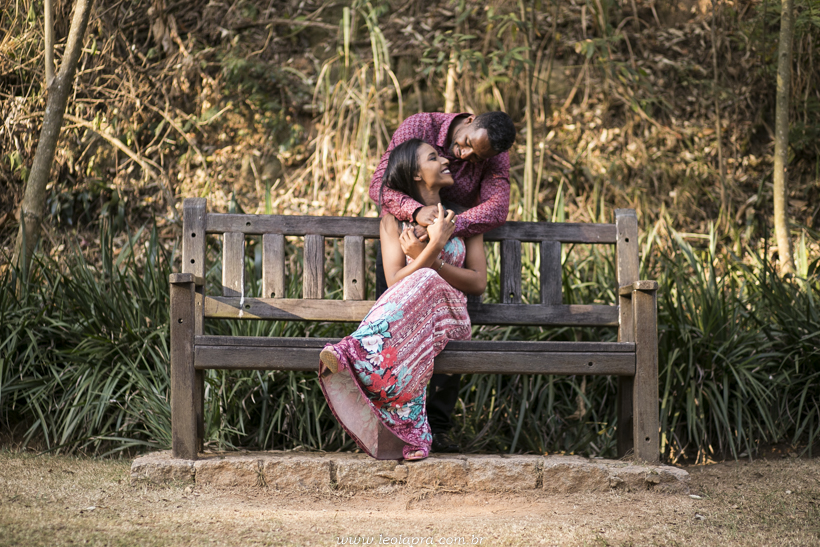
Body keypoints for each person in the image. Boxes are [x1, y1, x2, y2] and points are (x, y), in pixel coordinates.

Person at [318, 139, 487, 461]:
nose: (446, 161)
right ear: (416, 174)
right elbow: (395, 280)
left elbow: (478, 282)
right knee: (419, 279)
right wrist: (432, 249)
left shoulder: (462, 219)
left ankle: (357, 353)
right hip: (409, 326)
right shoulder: (392, 221)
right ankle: (413, 433)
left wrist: (430, 253)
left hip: (450, 315)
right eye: (434, 158)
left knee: (424, 276)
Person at [368, 111, 516, 453]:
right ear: (469, 119)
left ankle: (436, 430)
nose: (462, 156)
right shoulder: (420, 127)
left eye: (475, 157)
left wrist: (442, 232)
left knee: (443, 335)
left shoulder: (494, 152)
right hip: (408, 232)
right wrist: (417, 214)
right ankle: (390, 428)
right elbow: (380, 185)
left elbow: (495, 209)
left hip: (451, 249)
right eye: (464, 145)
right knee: (396, 332)